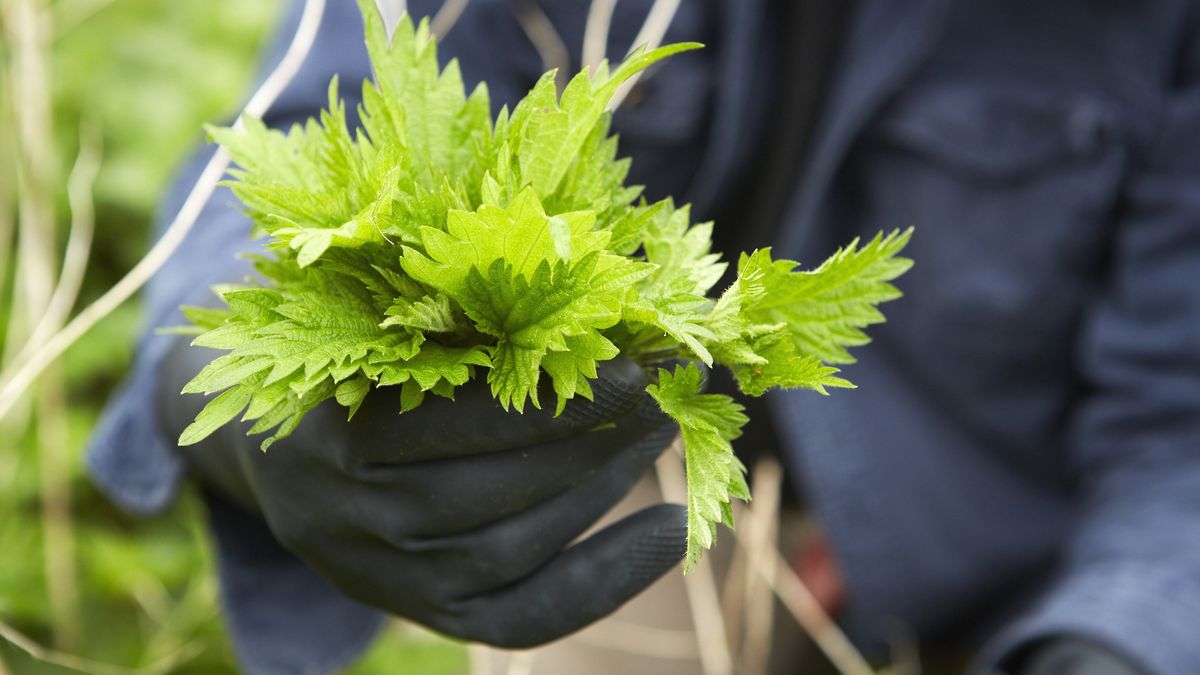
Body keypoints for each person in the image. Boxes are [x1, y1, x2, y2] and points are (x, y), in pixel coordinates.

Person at [87, 0, 1200, 674]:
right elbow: (296, 133)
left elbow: (1181, 431)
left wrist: (1119, 640)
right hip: (632, 506)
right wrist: (240, 392)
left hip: (1028, 568)